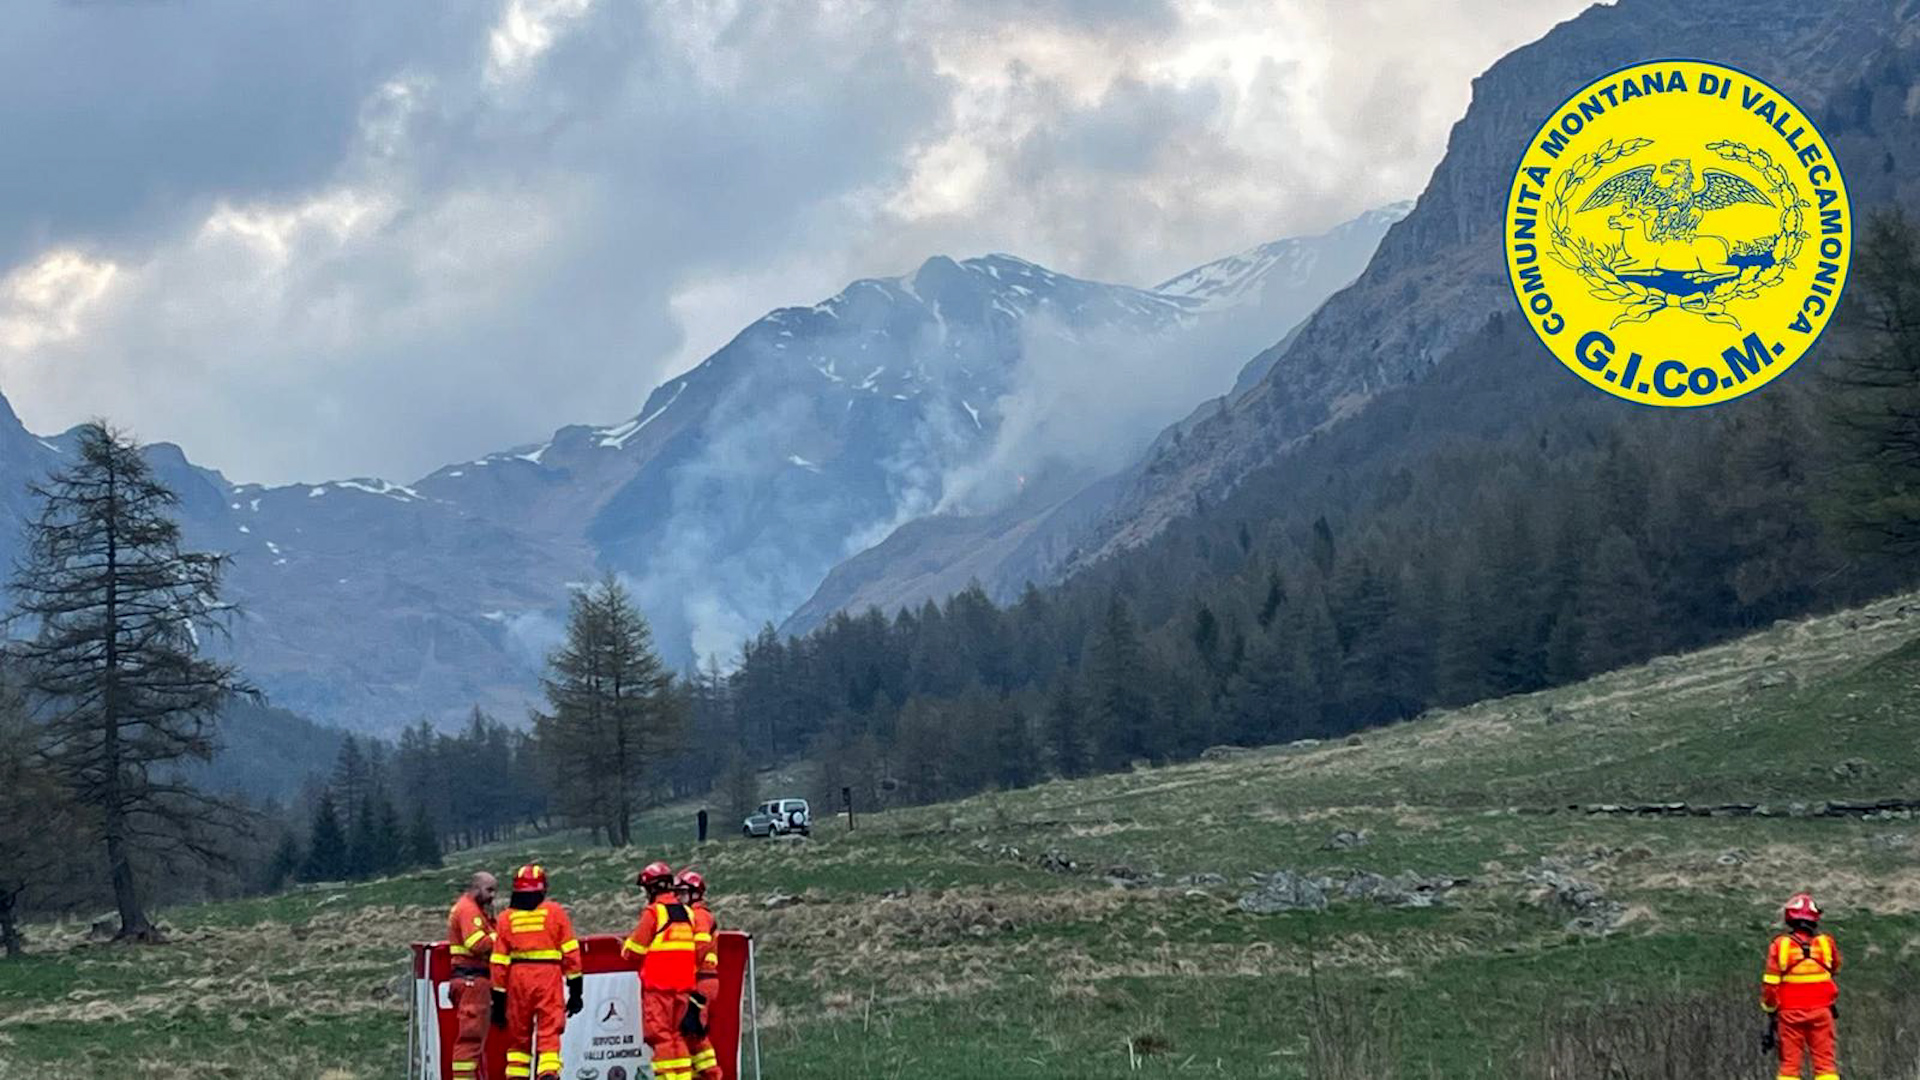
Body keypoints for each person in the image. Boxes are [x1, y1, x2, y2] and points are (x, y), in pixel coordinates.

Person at [490, 864, 584, 1080]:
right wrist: (576, 992)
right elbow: (571, 953)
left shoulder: (505, 918)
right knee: (549, 1030)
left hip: (517, 979)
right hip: (548, 976)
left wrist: (498, 1000)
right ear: (543, 889)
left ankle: (516, 1076)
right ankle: (548, 1073)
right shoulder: (555, 912)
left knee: (518, 1038)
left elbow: (498, 962)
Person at [622, 860, 698, 1080]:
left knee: (661, 1038)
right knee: (678, 1038)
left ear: (652, 888)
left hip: (659, 989)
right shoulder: (688, 914)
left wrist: (624, 947)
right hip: (683, 989)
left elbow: (635, 951)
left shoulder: (654, 913)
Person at [1762, 891, 1842, 1080]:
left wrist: (1770, 1009)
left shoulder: (1780, 946)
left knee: (1790, 1065)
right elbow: (1835, 968)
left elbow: (1770, 985)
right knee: (1825, 1064)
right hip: (1822, 1012)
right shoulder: (1826, 943)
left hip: (1789, 1014)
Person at [445, 871, 498, 1079]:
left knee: (475, 1041)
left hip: (471, 981)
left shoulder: (473, 910)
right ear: (476, 888)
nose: (493, 895)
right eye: (489, 890)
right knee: (470, 1039)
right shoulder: (468, 910)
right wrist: (501, 937)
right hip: (472, 981)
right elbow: (476, 944)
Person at [675, 869, 723, 1080]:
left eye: (682, 893)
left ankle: (712, 1075)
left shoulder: (700, 915)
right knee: (690, 1031)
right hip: (698, 980)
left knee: (695, 1031)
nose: (678, 897)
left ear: (695, 893)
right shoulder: (691, 915)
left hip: (701, 981)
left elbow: (700, 946)